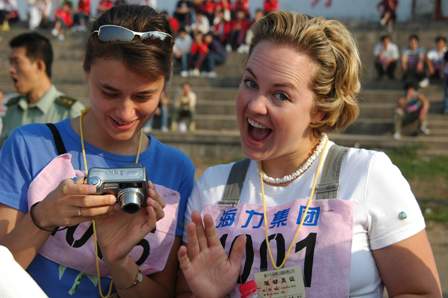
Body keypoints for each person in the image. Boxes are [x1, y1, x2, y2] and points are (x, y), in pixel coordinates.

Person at [176, 11, 442, 298]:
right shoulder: (214, 187)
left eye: (280, 95)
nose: (254, 106)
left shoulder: (367, 174)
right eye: (251, 83)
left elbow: (420, 292)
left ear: (320, 110)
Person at [0, 5, 195, 298]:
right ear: (86, 70)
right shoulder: (28, 145)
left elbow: (163, 292)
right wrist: (44, 217)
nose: (125, 111)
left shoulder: (175, 169)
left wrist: (119, 262)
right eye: (110, 92)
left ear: (165, 86)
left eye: (143, 96)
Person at [2, 32, 84, 145]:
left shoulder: (71, 113)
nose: (11, 70)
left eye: (17, 62)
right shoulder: (10, 110)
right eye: (11, 63)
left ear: (39, 66)